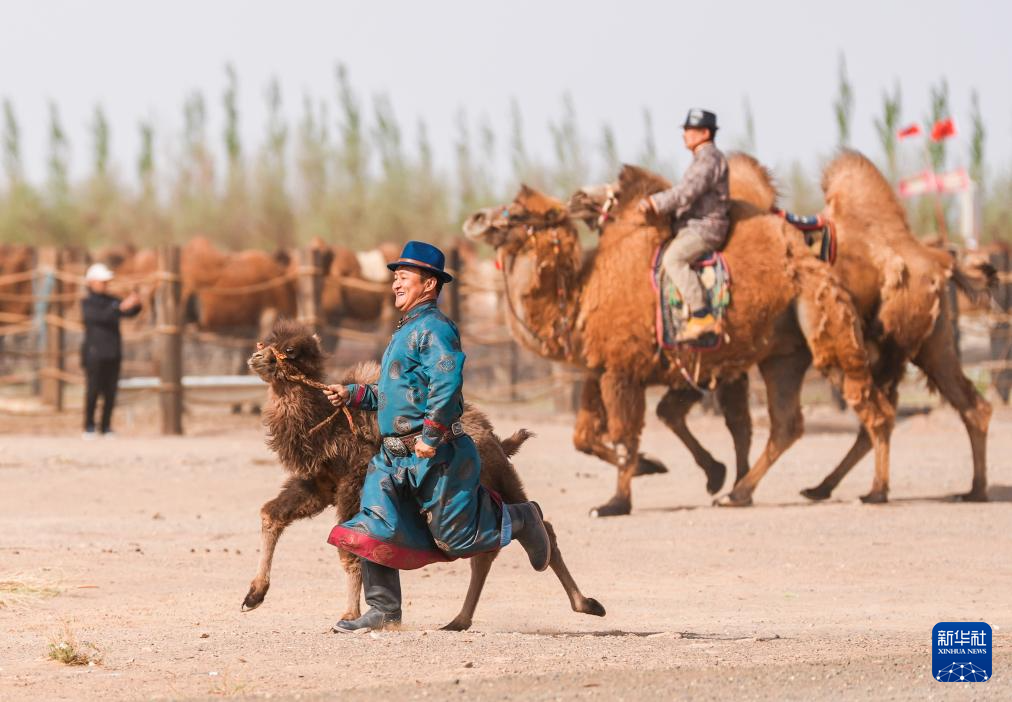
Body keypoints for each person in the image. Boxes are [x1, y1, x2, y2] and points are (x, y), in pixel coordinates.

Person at [324, 240, 551, 633]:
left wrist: (431, 434)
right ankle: (384, 610)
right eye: (395, 278)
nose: (395, 285)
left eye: (403, 278)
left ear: (429, 285)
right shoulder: (405, 331)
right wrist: (354, 395)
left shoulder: (436, 330)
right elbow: (394, 394)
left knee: (458, 541)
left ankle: (523, 518)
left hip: (437, 456)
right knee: (374, 525)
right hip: (392, 457)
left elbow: (446, 386)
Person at [639, 108, 730, 342]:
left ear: (705, 133)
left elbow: (686, 192)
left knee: (673, 259)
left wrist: (655, 203)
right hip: (693, 226)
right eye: (686, 130)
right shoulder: (702, 158)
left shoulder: (709, 159)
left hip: (705, 228)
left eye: (690, 130)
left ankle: (701, 315)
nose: (685, 134)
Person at [81, 263, 141, 438]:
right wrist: (120, 307)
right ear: (91, 282)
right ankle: (89, 426)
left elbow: (129, 313)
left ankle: (106, 426)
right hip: (94, 353)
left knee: (110, 391)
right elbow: (100, 317)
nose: (105, 284)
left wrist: (136, 303)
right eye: (102, 281)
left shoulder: (112, 300)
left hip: (113, 352)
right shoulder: (87, 303)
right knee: (93, 391)